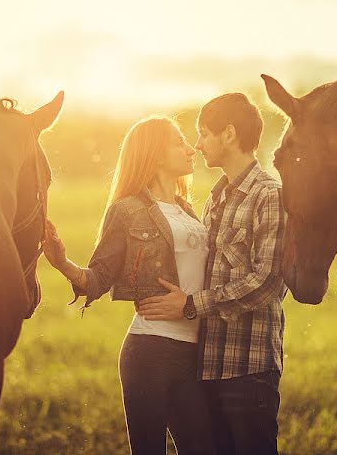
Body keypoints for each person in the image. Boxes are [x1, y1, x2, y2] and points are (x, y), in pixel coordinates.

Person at [43, 116, 215, 455]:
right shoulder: (127, 211)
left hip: (195, 352)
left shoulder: (189, 211)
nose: (190, 149)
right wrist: (63, 263)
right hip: (151, 351)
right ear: (156, 153)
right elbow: (98, 278)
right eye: (178, 142)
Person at [137, 93, 287, 455]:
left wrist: (190, 304)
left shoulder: (269, 195)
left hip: (248, 368)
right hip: (206, 367)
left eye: (204, 134)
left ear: (230, 135)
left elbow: (266, 281)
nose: (198, 145)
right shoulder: (215, 199)